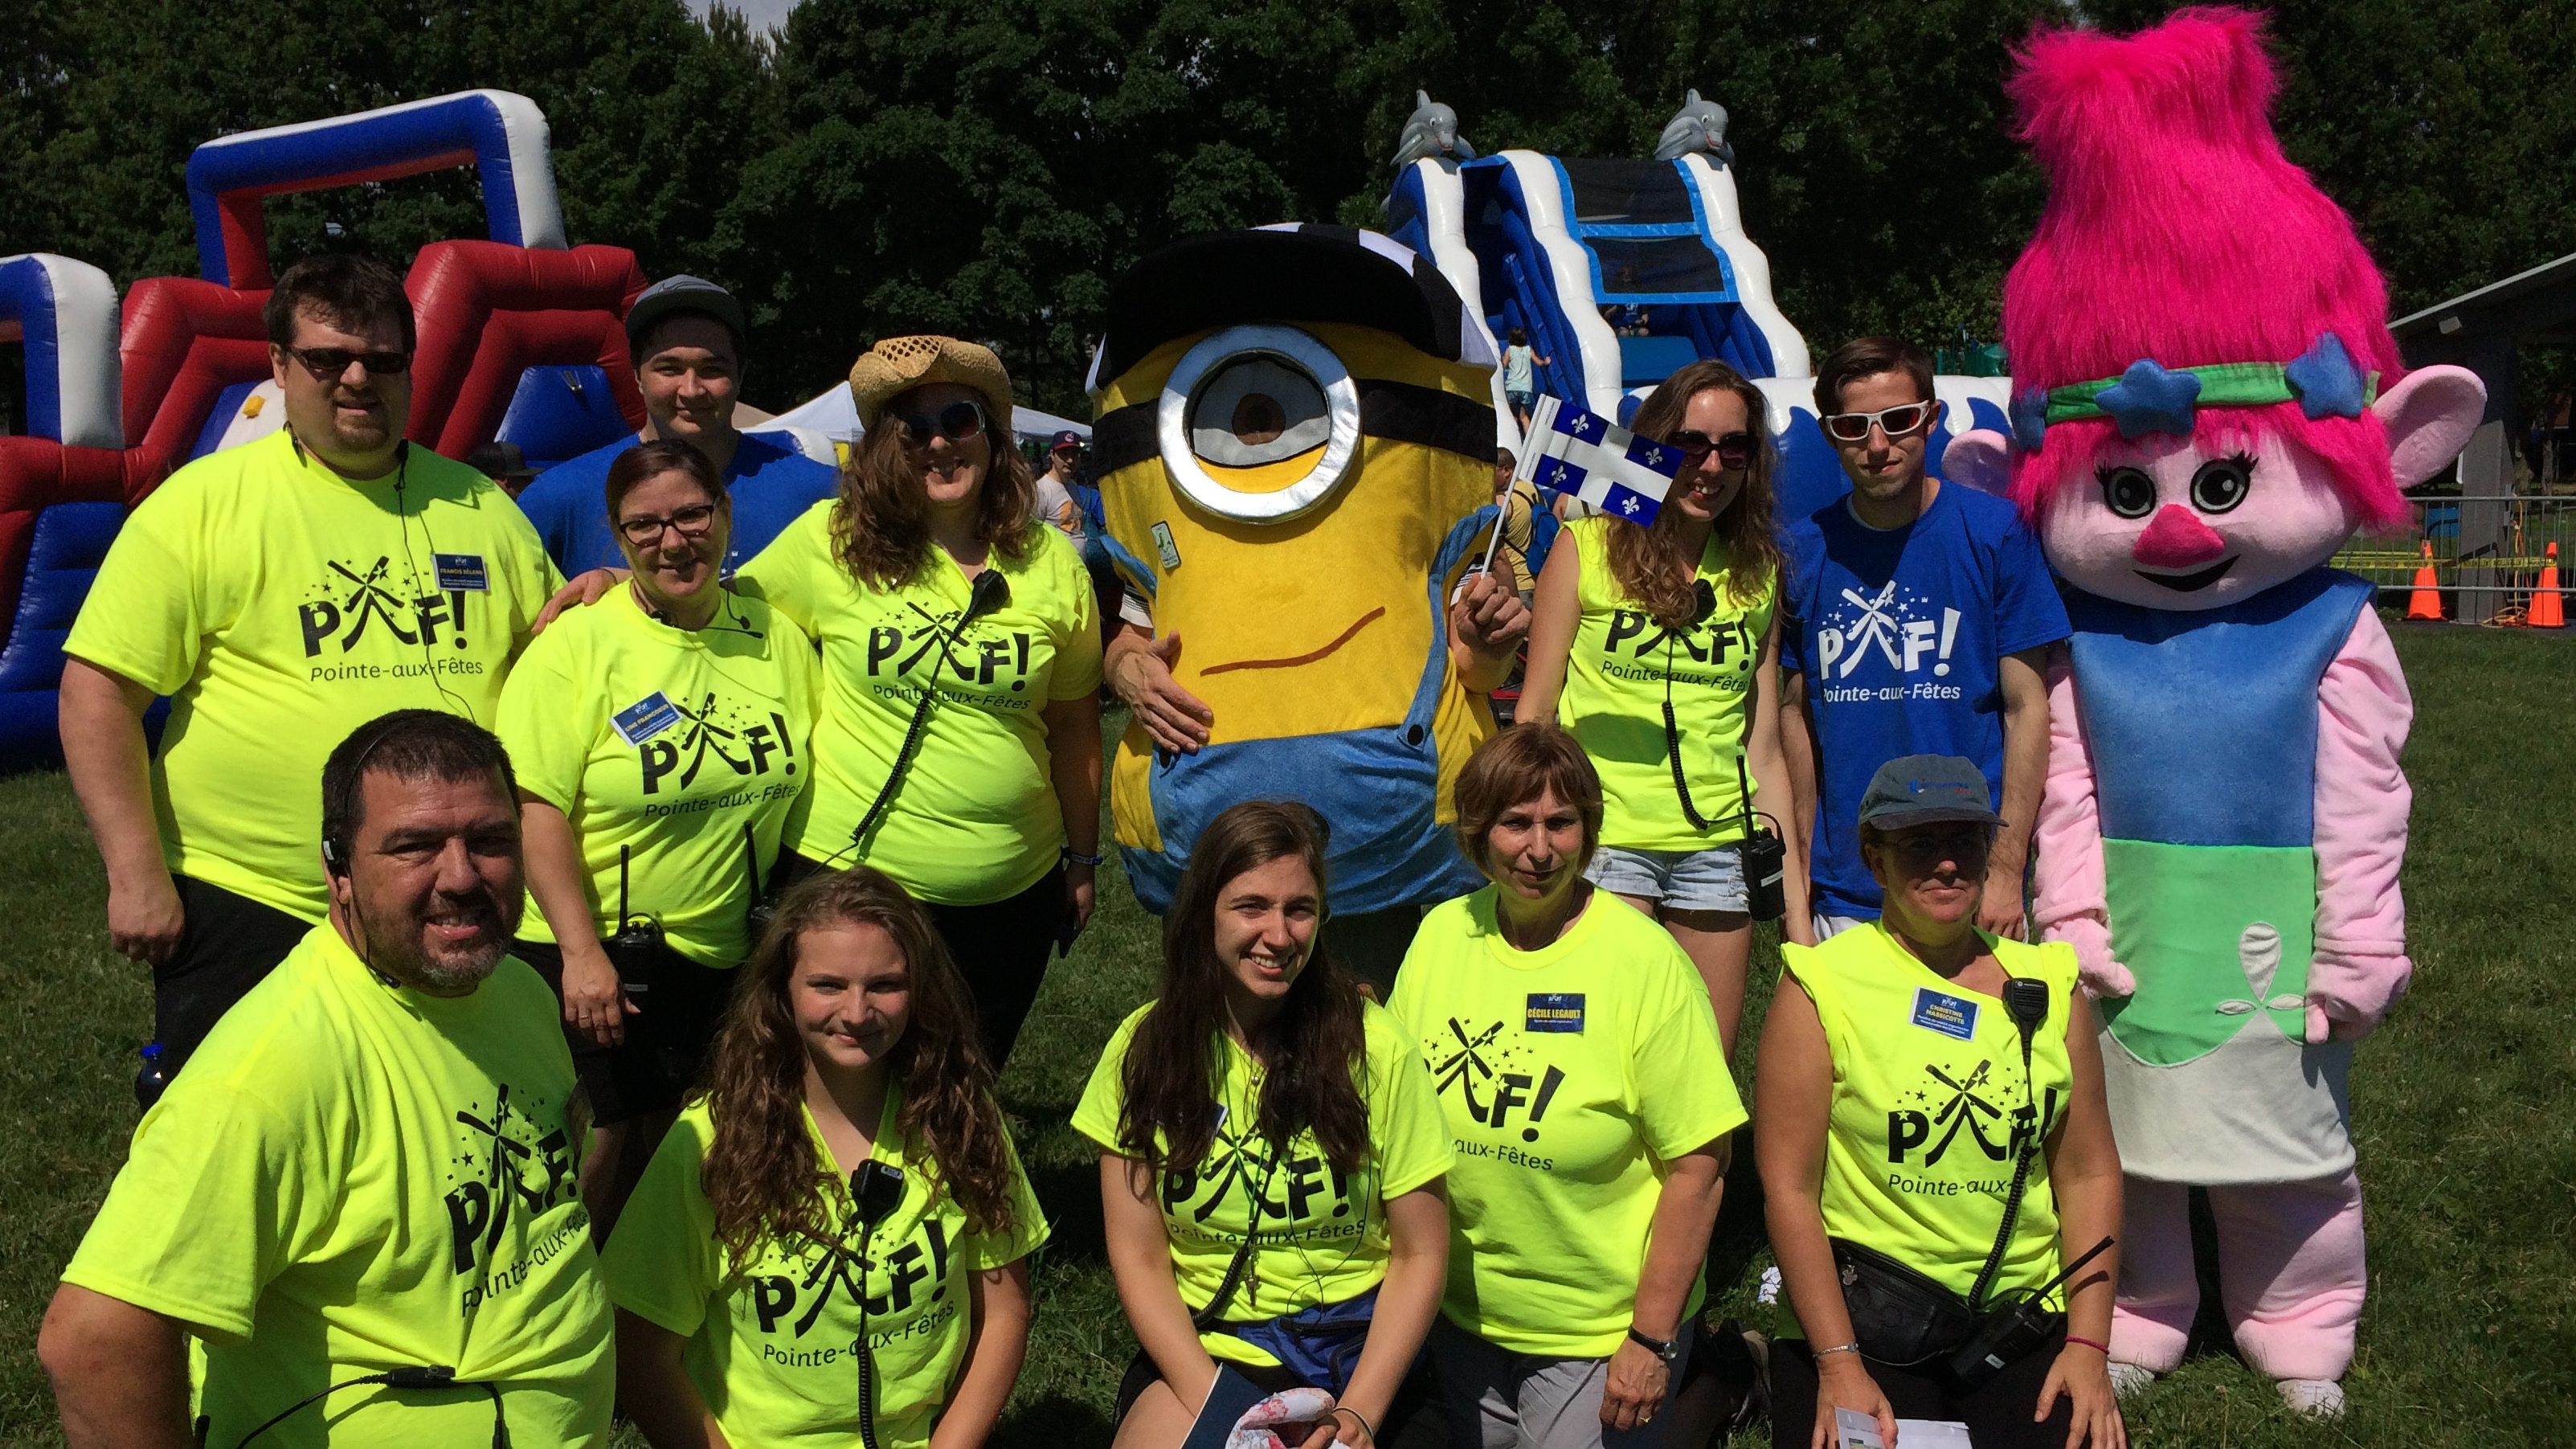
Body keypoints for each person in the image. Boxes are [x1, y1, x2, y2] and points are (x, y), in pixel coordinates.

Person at [37, 711, 613, 1448]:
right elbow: (94, 1339)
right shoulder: (270, 1073)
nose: (463, 876)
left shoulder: (518, 990)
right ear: (337, 870)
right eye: (414, 847)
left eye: (491, 840)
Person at [59, 252, 562, 1084]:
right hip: (254, 895)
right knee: (240, 1132)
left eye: (383, 360)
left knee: (454, 1118)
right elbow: (97, 692)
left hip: (449, 891)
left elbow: (552, 669)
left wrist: (611, 601)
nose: (358, 378)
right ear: (280, 367)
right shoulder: (200, 506)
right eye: (329, 358)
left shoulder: (479, 507)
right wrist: (137, 875)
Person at [545, 334, 1102, 1065]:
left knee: (967, 1081)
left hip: (1011, 887)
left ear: (993, 439)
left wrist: (1083, 861)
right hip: (853, 876)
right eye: (913, 428)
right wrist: (625, 579)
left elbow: (1073, 726)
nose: (938, 443)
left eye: (959, 420)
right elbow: (720, 601)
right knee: (840, 1080)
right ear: (884, 446)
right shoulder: (831, 541)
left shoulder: (1051, 563)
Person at [603, 866, 1047, 1449]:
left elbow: (1005, 1310)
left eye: (885, 984)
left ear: (921, 990)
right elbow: (641, 1350)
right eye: (828, 985)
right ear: (781, 992)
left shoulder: (959, 1115)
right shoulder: (711, 1141)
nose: (858, 1012)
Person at [1388, 725, 1744, 1449]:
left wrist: (1647, 1337)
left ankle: (1714, 1379)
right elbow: (1390, 1103)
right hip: (1462, 1312)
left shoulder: (1646, 963)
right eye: (1516, 823)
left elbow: (1702, 1166)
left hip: (1600, 1325)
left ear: (1590, 829)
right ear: (1478, 833)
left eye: (1561, 822)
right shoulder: (1439, 936)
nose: (1540, 849)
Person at [496, 438, 817, 1238]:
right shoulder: (575, 646)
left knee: (684, 1149)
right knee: (599, 1147)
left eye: (690, 514)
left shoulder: (773, 635)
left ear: (725, 514)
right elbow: (531, 807)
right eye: (644, 527)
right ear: (616, 535)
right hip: (593, 948)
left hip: (722, 951)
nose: (674, 541)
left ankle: (649, 1317)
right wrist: (580, 953)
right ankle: (555, 1312)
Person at [1754, 755, 2124, 1449]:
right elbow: (1789, 1189)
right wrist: (1837, 1364)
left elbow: (2089, 1172)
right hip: (1867, 1317)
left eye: (1964, 842)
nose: (1948, 864)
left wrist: (2090, 1345)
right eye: (1920, 845)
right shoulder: (1821, 985)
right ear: (1875, 859)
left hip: (2018, 1318)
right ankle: (1749, 1370)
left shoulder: (2048, 982)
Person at [1074, 800, 1450, 1449]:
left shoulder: (1378, 1048)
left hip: (1358, 1349)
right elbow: (1139, 1256)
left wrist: (1358, 1415)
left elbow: (1421, 1252)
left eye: (1299, 909)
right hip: (1210, 1346)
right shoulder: (1145, 1048)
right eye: (1251, 906)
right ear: (1203, 914)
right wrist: (1227, 1410)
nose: (1278, 935)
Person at [1514, 360, 1811, 1056]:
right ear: (1651, 447)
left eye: (1733, 448)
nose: (1711, 465)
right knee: (1604, 1059)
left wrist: (1796, 916)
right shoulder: (1585, 548)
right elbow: (1535, 716)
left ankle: (1700, 1174)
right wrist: (1534, 845)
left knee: (1702, 1064)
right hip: (1604, 838)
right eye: (1690, 444)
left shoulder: (1756, 570)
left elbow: (1762, 745)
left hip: (1715, 845)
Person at [1779, 337, 2067, 942]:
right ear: (1830, 434)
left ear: (1931, 419)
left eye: (1899, 420)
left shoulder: (1996, 534)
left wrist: (2006, 870)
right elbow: (1795, 716)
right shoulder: (1803, 550)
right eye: (1854, 427)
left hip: (1965, 876)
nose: (1878, 445)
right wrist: (1803, 862)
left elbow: (2027, 707)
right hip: (1850, 887)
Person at [514, 274, 838, 576]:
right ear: (637, 375)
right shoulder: (558, 499)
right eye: (669, 369)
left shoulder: (820, 494)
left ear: (740, 375)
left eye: (712, 370)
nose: (691, 389)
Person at [1037, 429, 1090, 546]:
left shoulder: (1073, 486)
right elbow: (1032, 534)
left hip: (1079, 562)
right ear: (1052, 455)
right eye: (1064, 454)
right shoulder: (1042, 489)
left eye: (1074, 454)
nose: (1070, 460)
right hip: (1054, 562)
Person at [1502, 327, 1552, 431]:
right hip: (1525, 388)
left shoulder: (1509, 350)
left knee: (1513, 415)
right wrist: (1545, 362)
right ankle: (1528, 440)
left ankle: (1514, 438)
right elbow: (1539, 362)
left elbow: (1504, 365)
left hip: (1512, 387)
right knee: (1524, 417)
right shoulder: (1528, 350)